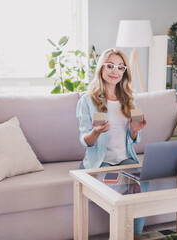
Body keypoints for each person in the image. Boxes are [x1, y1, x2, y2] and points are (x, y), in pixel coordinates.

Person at [76, 48, 147, 238]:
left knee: (143, 184)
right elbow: (85, 140)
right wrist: (96, 132)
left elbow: (133, 140)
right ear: (101, 68)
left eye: (120, 67)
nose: (115, 71)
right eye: (110, 66)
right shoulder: (87, 100)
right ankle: (118, 234)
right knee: (114, 187)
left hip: (125, 159)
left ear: (124, 72)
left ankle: (136, 235)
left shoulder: (130, 100)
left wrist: (134, 130)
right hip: (101, 162)